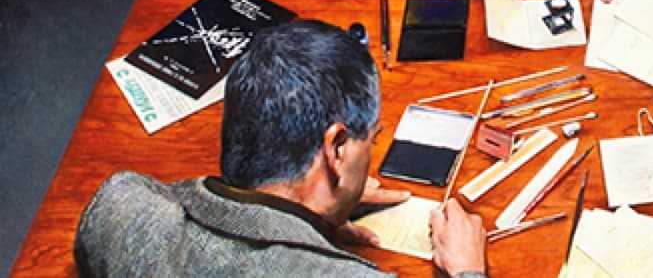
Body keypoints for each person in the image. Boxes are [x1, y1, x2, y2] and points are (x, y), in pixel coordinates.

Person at [74, 21, 487, 277]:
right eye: (371, 140)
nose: (372, 153)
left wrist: (313, 218)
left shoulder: (118, 207)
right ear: (336, 149)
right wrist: (469, 271)